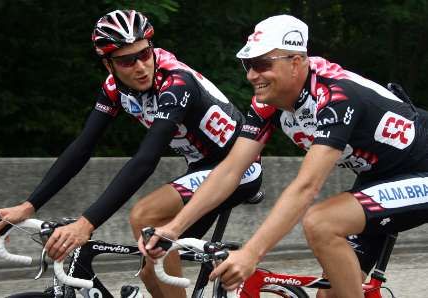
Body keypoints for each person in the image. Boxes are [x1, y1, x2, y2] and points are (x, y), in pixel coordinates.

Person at [141, 15, 428, 298]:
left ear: (296, 62)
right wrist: (173, 229)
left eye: (263, 64)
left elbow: (306, 187)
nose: (252, 75)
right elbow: (230, 170)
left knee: (322, 222)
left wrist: (251, 253)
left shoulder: (336, 97)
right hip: (380, 176)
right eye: (248, 64)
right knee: (332, 293)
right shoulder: (269, 103)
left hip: (422, 168)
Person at [0, 9, 262, 298]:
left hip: (239, 167)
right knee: (149, 270)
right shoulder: (114, 89)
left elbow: (145, 160)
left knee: (145, 215)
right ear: (109, 64)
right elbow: (82, 148)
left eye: (145, 54)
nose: (141, 66)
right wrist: (29, 206)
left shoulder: (176, 84)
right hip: (202, 168)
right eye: (127, 60)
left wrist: (85, 224)